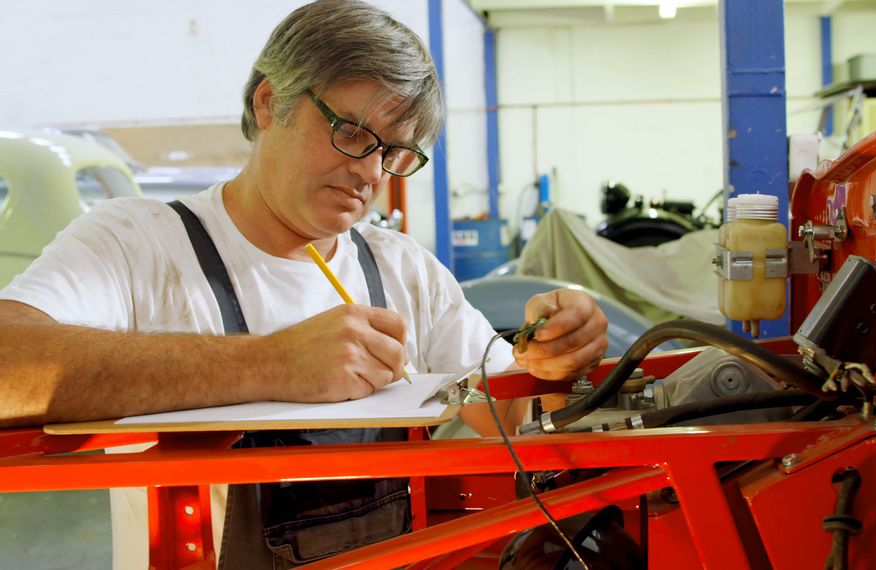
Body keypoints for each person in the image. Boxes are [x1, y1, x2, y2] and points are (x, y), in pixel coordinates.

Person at [0, 1, 608, 567]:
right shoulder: (139, 244)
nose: (371, 173)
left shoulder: (401, 268)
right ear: (270, 102)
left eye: (395, 153)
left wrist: (554, 360)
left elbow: (512, 414)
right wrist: (267, 365)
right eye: (351, 132)